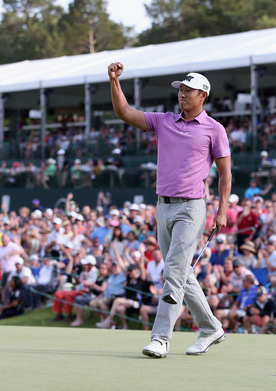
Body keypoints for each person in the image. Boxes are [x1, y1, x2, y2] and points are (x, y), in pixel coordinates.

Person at [108, 62, 231, 358]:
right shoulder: (163, 121)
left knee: (173, 272)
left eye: (189, 90)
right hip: (163, 206)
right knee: (182, 273)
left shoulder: (214, 129)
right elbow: (124, 113)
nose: (182, 94)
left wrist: (222, 210)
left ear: (203, 95)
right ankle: (211, 327)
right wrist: (114, 81)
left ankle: (161, 338)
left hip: (192, 208)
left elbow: (225, 174)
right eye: (181, 90)